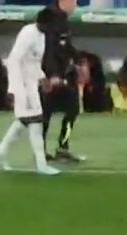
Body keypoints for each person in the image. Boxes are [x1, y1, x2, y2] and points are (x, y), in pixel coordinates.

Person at [0, 10, 61, 176]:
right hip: (22, 85)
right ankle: (41, 164)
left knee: (23, 121)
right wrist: (13, 89)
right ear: (45, 23)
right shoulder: (28, 34)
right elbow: (14, 60)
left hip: (31, 84)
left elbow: (33, 61)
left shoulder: (41, 36)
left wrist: (43, 78)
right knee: (35, 123)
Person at [40, 0, 81, 163]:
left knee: (73, 109)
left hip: (63, 75)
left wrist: (79, 59)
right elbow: (49, 49)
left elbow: (65, 45)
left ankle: (63, 146)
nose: (75, 5)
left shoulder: (62, 19)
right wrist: (53, 74)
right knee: (45, 114)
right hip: (50, 76)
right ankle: (40, 149)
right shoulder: (51, 18)